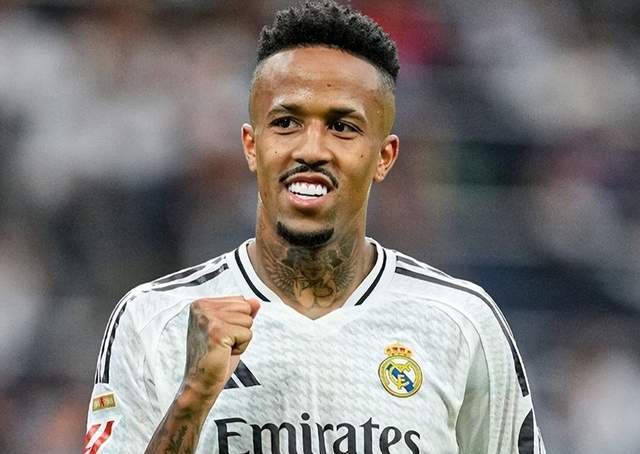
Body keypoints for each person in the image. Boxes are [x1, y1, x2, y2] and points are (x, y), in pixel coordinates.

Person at [85, 2, 546, 453]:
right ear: (251, 146)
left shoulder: (461, 323)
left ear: (384, 157)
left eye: (342, 127)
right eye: (286, 122)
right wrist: (193, 396)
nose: (311, 150)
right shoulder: (154, 320)